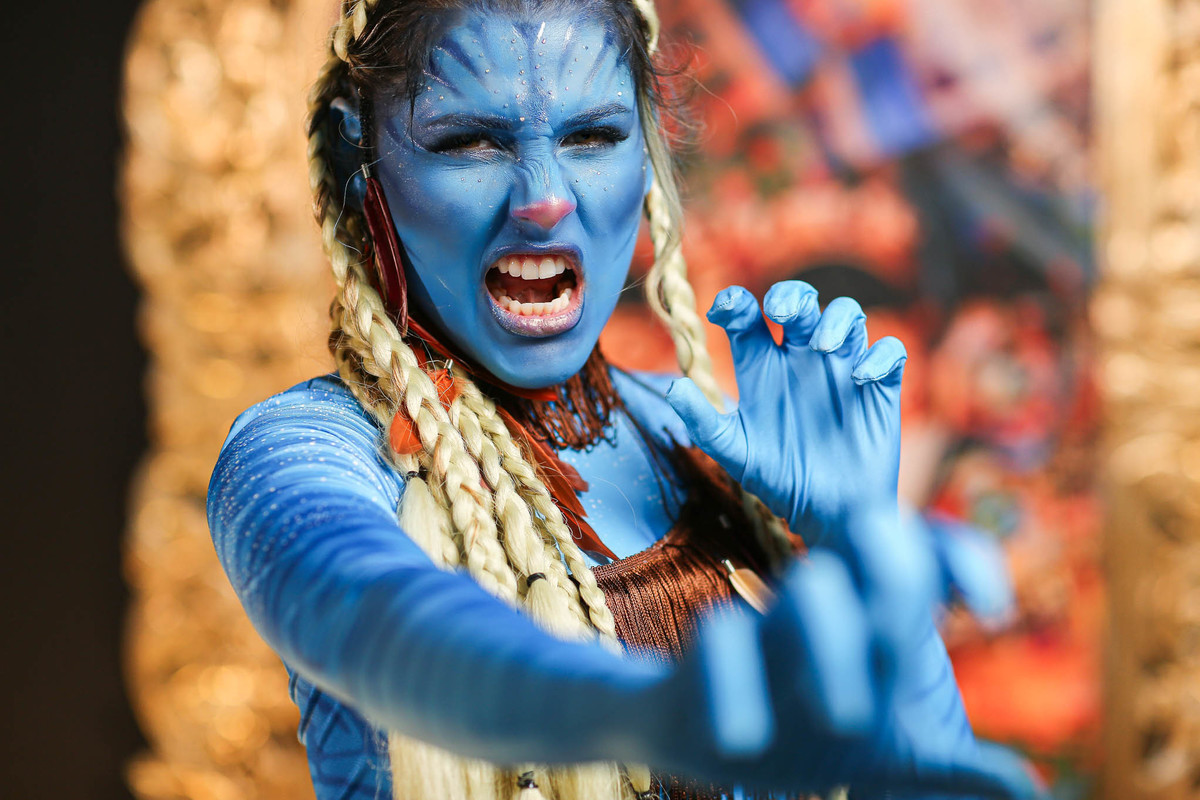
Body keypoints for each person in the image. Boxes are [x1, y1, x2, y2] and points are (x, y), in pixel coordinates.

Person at [206, 0, 1038, 798]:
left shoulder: (707, 443)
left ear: (647, 152)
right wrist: (649, 714)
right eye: (467, 142)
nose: (545, 198)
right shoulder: (308, 450)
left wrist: (854, 537)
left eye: (595, 136)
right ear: (364, 162)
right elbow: (380, 619)